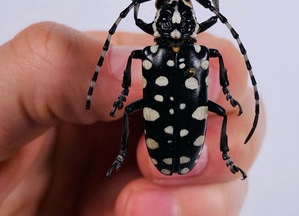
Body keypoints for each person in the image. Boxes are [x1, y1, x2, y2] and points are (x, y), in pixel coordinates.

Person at [0, 22, 265, 215]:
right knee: (136, 108)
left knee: (134, 108)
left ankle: (223, 154)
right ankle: (224, 155)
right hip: (172, 149)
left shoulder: (156, 56)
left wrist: (227, 92)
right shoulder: (200, 56)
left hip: (169, 149)